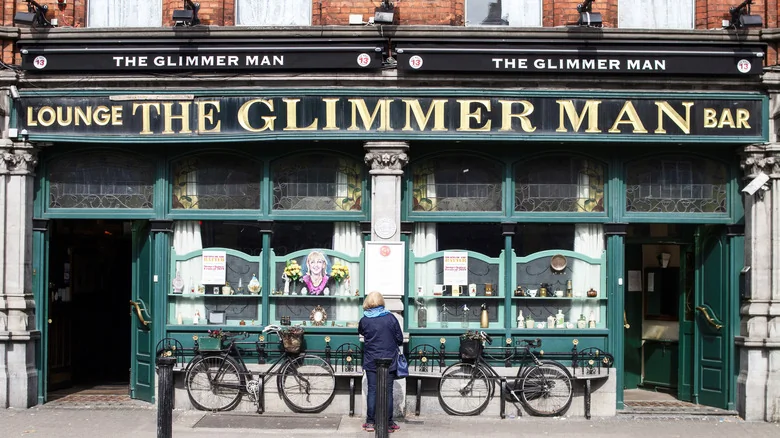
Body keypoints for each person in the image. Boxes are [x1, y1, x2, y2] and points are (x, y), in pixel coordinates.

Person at [358, 291, 403, 433]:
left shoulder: (365, 320)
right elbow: (400, 339)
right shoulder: (391, 318)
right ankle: (388, 423)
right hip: (389, 360)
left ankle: (370, 422)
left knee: (372, 390)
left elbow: (361, 332)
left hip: (371, 360)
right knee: (388, 391)